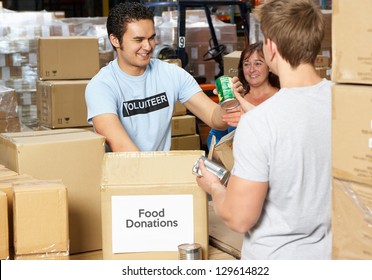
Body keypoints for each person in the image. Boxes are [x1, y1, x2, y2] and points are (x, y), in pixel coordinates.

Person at [196, 0, 332, 260]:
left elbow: (239, 218)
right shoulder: (344, 102)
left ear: (270, 47)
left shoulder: (259, 124)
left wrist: (214, 187)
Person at [85, 1, 242, 152]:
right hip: (123, 174)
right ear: (115, 40)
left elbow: (214, 118)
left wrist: (228, 106)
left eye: (151, 38)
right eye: (138, 40)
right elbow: (121, 147)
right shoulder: (101, 86)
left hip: (160, 169)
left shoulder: (171, 74)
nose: (148, 47)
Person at [206, 42, 280, 150]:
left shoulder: (281, 98)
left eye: (258, 63)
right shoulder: (234, 100)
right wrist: (223, 156)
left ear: (269, 66)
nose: (251, 70)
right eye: (246, 64)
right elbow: (214, 136)